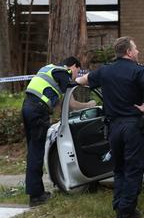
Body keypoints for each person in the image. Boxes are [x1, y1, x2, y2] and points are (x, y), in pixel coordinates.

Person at [76, 37, 144, 218]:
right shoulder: (138, 71)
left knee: (119, 169)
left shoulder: (105, 70)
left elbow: (81, 81)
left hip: (113, 128)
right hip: (132, 127)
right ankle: (127, 213)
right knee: (133, 169)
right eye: (136, 49)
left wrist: (74, 77)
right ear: (129, 52)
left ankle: (120, 206)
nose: (138, 52)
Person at [22, 56, 93, 207]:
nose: (75, 75)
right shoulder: (63, 73)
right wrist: (89, 103)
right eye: (77, 72)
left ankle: (35, 192)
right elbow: (72, 98)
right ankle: (36, 196)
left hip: (28, 108)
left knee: (33, 152)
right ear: (73, 66)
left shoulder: (48, 69)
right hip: (37, 112)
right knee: (36, 153)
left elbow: (66, 103)